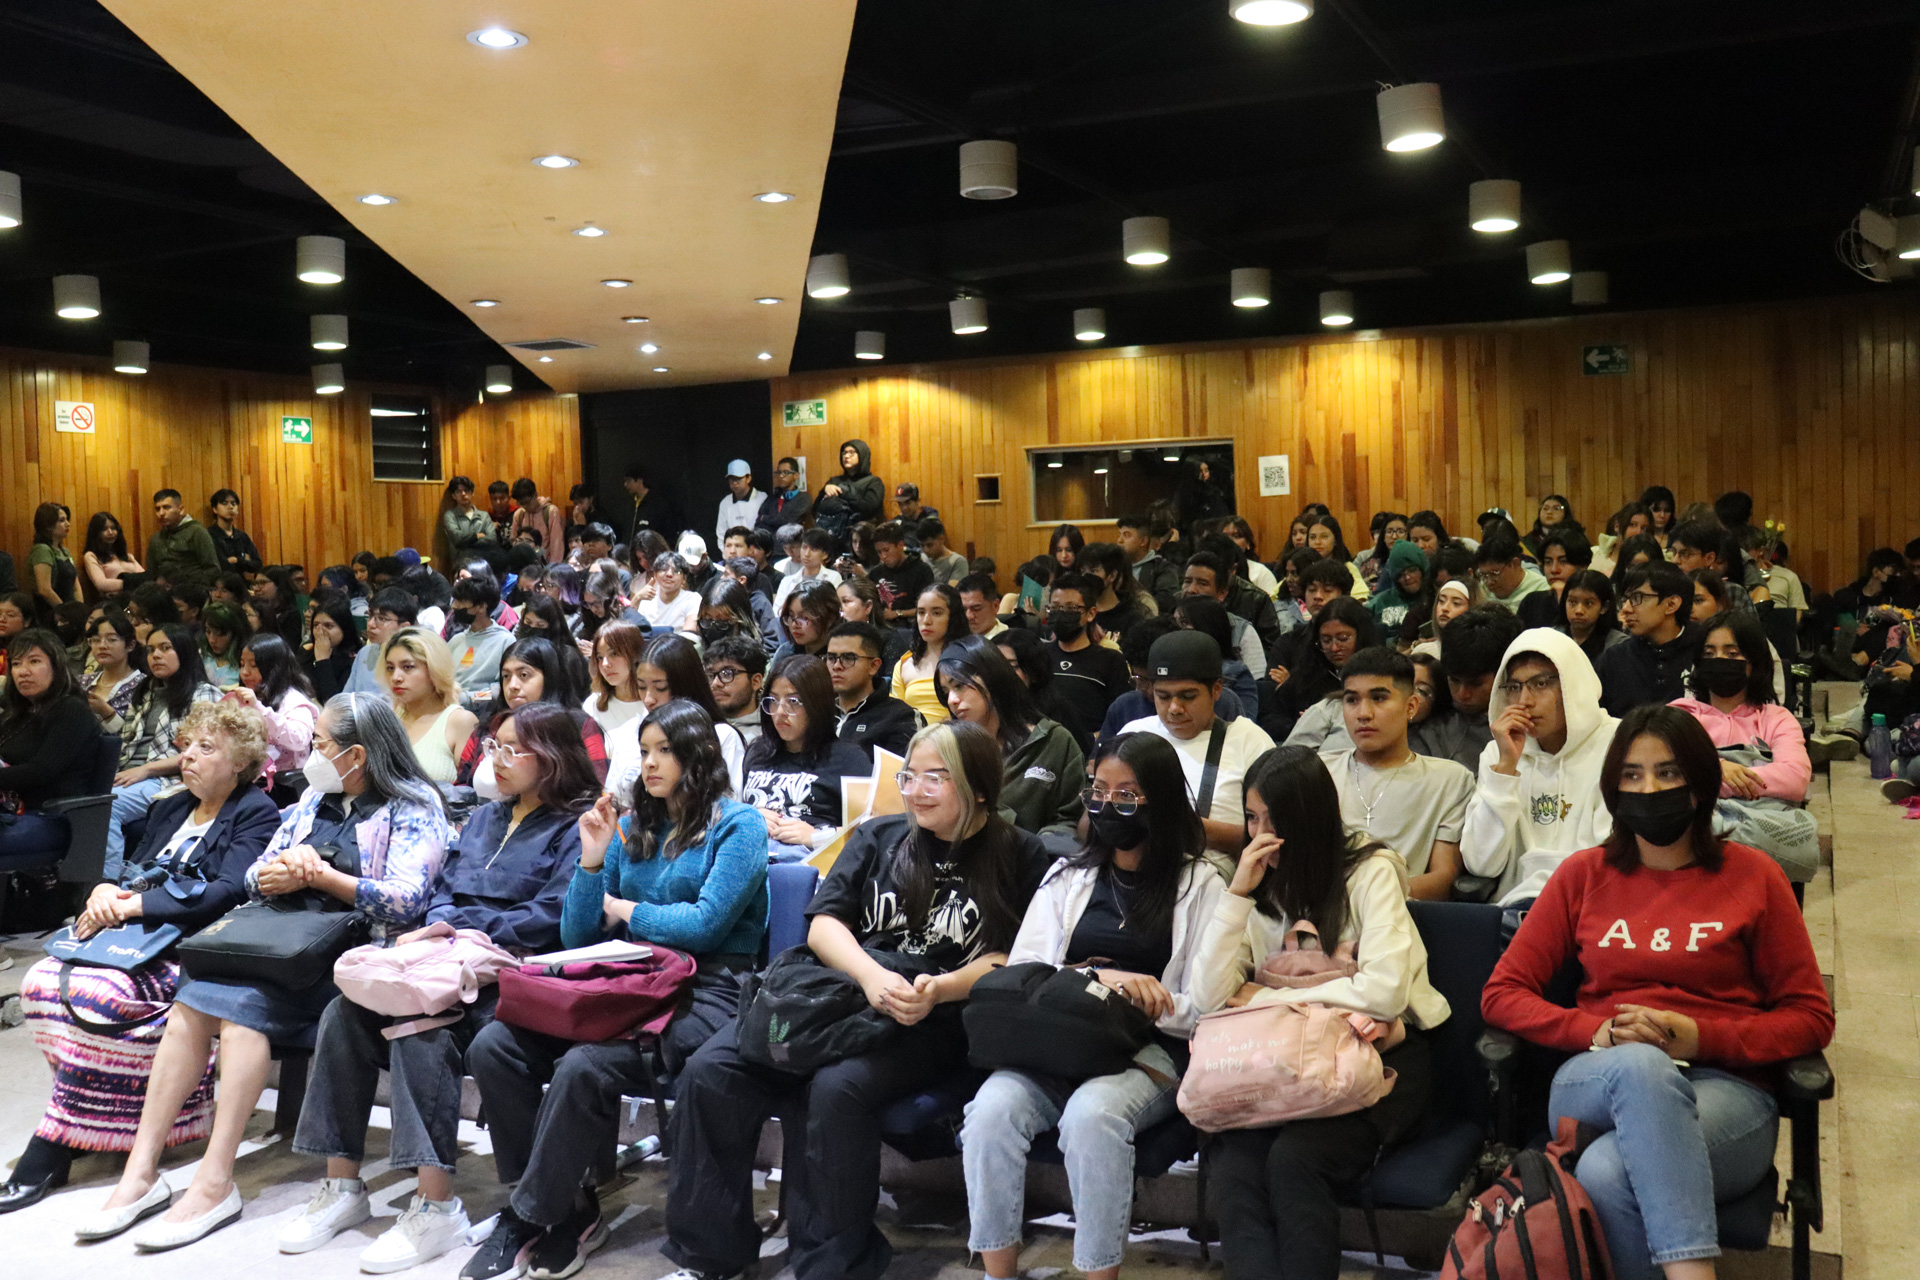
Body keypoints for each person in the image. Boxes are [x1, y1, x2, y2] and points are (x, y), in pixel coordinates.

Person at [659, 720, 1048, 1280]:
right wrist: (868, 976)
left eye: (934, 779)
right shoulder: (879, 836)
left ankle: (833, 1264)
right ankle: (708, 1256)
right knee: (711, 1071)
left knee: (836, 1088)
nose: (914, 791)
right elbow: (823, 927)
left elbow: (1018, 954)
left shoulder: (1019, 853)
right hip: (845, 989)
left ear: (979, 787)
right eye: (909, 777)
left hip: (935, 1012)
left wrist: (940, 988)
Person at [86, 694, 451, 1251]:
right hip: (277, 940)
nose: (311, 752)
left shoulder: (412, 803)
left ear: (357, 754)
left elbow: (406, 900)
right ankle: (142, 1170)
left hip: (351, 960)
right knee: (193, 1001)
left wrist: (325, 877)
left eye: (323, 743)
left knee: (243, 1014)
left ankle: (215, 1180)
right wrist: (282, 872)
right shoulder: (314, 797)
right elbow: (252, 874)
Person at [1482, 704, 1833, 1280]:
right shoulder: (1583, 875)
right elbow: (1502, 993)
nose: (1650, 788)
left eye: (1669, 773)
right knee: (1641, 1064)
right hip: (1598, 1074)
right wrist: (1597, 1031)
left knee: (1607, 1171)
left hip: (1726, 1092)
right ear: (1613, 789)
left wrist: (1700, 1035)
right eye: (1632, 775)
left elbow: (1810, 1018)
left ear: (1701, 782)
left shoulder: (1755, 876)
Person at [277, 702, 592, 1271]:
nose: (493, 759)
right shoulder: (488, 818)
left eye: (510, 750)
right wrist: (445, 929)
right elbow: (441, 889)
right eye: (491, 746)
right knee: (344, 1014)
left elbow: (555, 915)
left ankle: (436, 1206)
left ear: (551, 758)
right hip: (446, 956)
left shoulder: (575, 827)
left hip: (511, 974)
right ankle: (343, 1186)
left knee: (420, 1026)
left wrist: (474, 935)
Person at [462, 699, 767, 1280]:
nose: (649, 764)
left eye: (664, 751)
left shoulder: (739, 825)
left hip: (710, 989)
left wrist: (626, 907)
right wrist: (593, 860)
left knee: (585, 1066)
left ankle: (529, 1217)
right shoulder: (636, 825)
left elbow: (705, 927)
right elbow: (578, 933)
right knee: (494, 1046)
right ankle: (569, 1207)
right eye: (644, 751)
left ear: (697, 755)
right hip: (628, 980)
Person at [961, 731, 1226, 1280]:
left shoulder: (1201, 884)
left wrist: (1150, 1000)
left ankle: (1098, 1273)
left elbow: (1202, 1005)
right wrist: (1104, 978)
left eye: (1127, 796)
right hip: (1060, 1041)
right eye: (1098, 792)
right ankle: (997, 1272)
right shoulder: (1069, 876)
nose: (1108, 807)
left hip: (1150, 1048)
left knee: (1091, 1118)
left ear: (1162, 800)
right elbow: (1023, 972)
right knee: (989, 1114)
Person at [0, 701, 280, 1217]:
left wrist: (134, 905)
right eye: (187, 744)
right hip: (129, 938)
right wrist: (108, 891)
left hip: (188, 947)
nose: (187, 757)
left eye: (206, 747)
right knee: (41, 982)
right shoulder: (171, 807)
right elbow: (134, 871)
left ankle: (55, 1142)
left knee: (96, 998)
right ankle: (100, 1124)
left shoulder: (255, 811)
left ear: (240, 761)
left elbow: (227, 893)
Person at [1194, 745, 1449, 1280]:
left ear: (1308, 820)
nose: (1259, 834)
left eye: (1273, 820)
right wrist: (1238, 892)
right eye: (1250, 817)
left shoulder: (1369, 870)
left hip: (1380, 1057)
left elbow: (1383, 995)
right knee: (1235, 1161)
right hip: (1279, 1059)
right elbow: (1208, 996)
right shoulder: (1256, 880)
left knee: (1295, 1160)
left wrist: (1263, 998)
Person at [1461, 628, 1620, 907]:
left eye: (1541, 684)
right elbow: (1480, 863)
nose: (1524, 701)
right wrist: (1506, 769)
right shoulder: (1499, 753)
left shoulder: (1619, 743)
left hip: (1594, 906)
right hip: (1515, 911)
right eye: (1514, 687)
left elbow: (1615, 856)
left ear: (1573, 685)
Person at [1671, 611, 1816, 882]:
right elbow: (1667, 776)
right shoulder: (1679, 716)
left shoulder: (1776, 718)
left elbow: (1795, 779)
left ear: (1753, 662)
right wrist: (1719, 770)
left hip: (1761, 823)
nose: (1719, 660)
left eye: (1732, 653)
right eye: (1710, 653)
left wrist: (1709, 778)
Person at [1119, 631, 1274, 854]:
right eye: (1162, 696)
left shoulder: (1249, 741)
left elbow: (1270, 837)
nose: (1174, 708)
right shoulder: (1134, 733)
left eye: (1188, 696)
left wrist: (1175, 825)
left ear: (1217, 690)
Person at [102, 624, 223, 879]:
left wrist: (145, 770)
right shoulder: (145, 690)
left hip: (168, 779)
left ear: (184, 652)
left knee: (105, 805)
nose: (155, 655)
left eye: (165, 648)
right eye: (151, 649)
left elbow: (203, 752)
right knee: (83, 801)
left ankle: (108, 883)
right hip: (130, 774)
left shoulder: (204, 694)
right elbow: (125, 740)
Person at [938, 635, 1084, 833]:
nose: (952, 700)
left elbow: (1069, 821)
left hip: (1033, 859)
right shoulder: (946, 747)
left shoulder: (1051, 742)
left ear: (992, 678)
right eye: (946, 691)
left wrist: (1030, 851)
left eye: (959, 685)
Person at [741, 654, 872, 858]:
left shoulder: (848, 759)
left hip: (809, 866)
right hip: (750, 857)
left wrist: (817, 836)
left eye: (793, 701)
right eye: (773, 700)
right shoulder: (758, 751)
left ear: (816, 705)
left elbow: (871, 829)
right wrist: (747, 816)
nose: (780, 712)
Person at [0, 629, 106, 868]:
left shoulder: (71, 710)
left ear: (56, 667)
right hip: (11, 812)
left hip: (52, 816)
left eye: (34, 661)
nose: (23, 671)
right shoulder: (15, 714)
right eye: (16, 664)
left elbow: (41, 771)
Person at [607, 633, 748, 801]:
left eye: (660, 687)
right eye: (642, 687)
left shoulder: (721, 736)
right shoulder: (630, 732)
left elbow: (729, 807)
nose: (648, 699)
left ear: (685, 685)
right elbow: (611, 799)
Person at [1597, 561, 1702, 716]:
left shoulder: (1704, 653)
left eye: (1637, 598)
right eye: (1626, 599)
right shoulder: (1614, 659)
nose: (1626, 609)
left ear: (1671, 604)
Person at [1266, 597, 1376, 745]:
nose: (1334, 648)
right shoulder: (1306, 673)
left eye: (1343, 638)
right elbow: (1270, 719)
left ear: (1361, 636)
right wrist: (1303, 723)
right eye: (1326, 640)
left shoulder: (1382, 674)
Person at [381, 626, 479, 785]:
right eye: (390, 668)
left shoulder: (460, 721)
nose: (396, 677)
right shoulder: (388, 720)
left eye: (408, 667)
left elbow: (471, 793)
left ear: (434, 669)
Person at [1040, 572, 1133, 735]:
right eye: (1054, 608)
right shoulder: (1039, 655)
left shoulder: (1110, 660)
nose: (1061, 613)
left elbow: (1122, 718)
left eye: (1071, 608)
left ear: (1090, 614)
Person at [231, 632, 320, 799]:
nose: (245, 672)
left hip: (285, 787)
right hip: (252, 780)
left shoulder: (294, 700)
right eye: (242, 665)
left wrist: (260, 710)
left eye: (253, 665)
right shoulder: (252, 696)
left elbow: (299, 739)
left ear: (273, 667)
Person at [826, 620, 919, 761]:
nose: (837, 666)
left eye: (848, 658)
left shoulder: (900, 716)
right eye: (831, 658)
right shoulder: (817, 714)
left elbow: (904, 777)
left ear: (874, 666)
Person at [892, 582, 966, 726]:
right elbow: (896, 717)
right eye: (921, 612)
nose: (926, 621)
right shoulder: (905, 663)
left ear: (953, 616)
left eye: (937, 613)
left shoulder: (970, 657)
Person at [447, 572, 515, 708]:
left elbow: (499, 691)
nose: (454, 606)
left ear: (481, 607)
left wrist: (469, 698)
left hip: (483, 717)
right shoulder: (456, 640)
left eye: (460, 601)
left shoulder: (505, 642)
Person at [144, 489, 220, 589]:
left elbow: (213, 569)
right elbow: (151, 573)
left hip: (192, 592)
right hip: (163, 594)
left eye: (166, 507)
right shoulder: (155, 539)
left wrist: (194, 589)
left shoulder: (196, 532)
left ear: (181, 509)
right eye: (157, 509)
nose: (161, 513)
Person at [81, 612, 147, 726]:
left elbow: (137, 733)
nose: (102, 646)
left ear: (130, 645)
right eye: (96, 640)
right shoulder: (82, 682)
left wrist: (107, 713)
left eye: (111, 640)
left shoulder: (144, 685)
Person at [583, 618, 649, 734]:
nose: (605, 664)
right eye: (600, 657)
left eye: (614, 654)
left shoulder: (653, 704)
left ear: (635, 654)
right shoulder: (593, 705)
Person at [812, 438, 885, 542]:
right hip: (833, 536)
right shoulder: (835, 481)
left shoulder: (874, 482)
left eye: (852, 453)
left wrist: (842, 493)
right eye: (844, 453)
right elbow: (816, 509)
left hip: (863, 538)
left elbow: (869, 507)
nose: (846, 456)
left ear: (862, 455)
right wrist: (824, 490)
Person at [1473, 525, 1552, 619]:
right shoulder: (1481, 590)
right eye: (1483, 575)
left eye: (1494, 574)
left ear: (1515, 563)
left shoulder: (1542, 589)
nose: (1489, 582)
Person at [867, 521, 935, 629]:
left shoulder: (922, 570)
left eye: (886, 550)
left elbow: (928, 608)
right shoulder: (875, 574)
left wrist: (897, 613)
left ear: (900, 545)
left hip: (912, 628)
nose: (883, 556)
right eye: (879, 552)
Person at [704, 633, 769, 745]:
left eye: (727, 674)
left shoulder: (769, 733)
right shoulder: (700, 725)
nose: (715, 683)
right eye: (710, 675)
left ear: (756, 681)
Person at [1559, 567, 1625, 664]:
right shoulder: (1552, 638)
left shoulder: (1618, 645)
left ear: (1604, 607)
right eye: (1572, 602)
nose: (1579, 610)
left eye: (1588, 603)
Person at [772, 578, 841, 669]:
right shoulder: (786, 652)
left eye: (804, 618)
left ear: (830, 619)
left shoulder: (840, 657)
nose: (794, 625)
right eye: (791, 616)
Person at [1117, 511, 1180, 609]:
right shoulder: (1115, 566)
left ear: (1143, 541)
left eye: (1127, 535)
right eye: (1119, 534)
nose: (1119, 540)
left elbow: (1166, 601)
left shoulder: (1163, 568)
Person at [28, 502, 78, 619]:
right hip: (51, 613)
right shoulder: (42, 550)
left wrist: (80, 610)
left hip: (70, 610)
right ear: (48, 525)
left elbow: (76, 586)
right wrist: (65, 613)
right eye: (61, 520)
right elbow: (44, 590)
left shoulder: (65, 552)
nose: (67, 524)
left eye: (67, 519)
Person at [1365, 539, 1429, 630]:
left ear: (1422, 569)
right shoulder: (1381, 602)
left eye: (1412, 570)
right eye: (1400, 574)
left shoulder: (1435, 599)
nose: (1407, 577)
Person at [81, 510, 145, 599]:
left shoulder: (127, 556)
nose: (110, 532)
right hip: (113, 602)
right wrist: (129, 583)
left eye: (113, 528)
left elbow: (144, 577)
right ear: (96, 533)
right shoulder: (91, 556)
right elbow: (101, 584)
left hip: (136, 598)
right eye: (104, 529)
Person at [1306, 515, 1369, 600]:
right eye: (1312, 537)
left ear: (1335, 540)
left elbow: (1361, 598)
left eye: (1324, 536)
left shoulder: (1348, 568)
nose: (1317, 542)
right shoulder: (1302, 566)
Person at [440, 475, 498, 565]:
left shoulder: (484, 515)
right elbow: (457, 538)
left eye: (466, 490)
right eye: (459, 491)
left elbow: (492, 539)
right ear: (453, 496)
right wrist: (476, 536)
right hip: (460, 564)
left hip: (483, 563)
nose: (463, 494)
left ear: (472, 493)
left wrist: (466, 543)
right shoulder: (450, 515)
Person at [509, 478, 567, 564]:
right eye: (521, 503)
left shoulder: (551, 512)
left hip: (545, 564)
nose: (525, 506)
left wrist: (552, 568)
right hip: (524, 564)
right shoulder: (519, 514)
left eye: (527, 502)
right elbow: (514, 541)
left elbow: (556, 544)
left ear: (535, 495)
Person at [203, 489, 261, 575]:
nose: (230, 507)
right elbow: (221, 566)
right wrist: (245, 561)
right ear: (215, 509)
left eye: (233, 503)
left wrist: (237, 560)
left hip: (243, 585)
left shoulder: (242, 536)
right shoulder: (209, 535)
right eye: (224, 503)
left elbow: (258, 565)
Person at [755, 456, 812, 536]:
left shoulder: (804, 498)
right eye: (779, 472)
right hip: (770, 543)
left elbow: (790, 521)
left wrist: (766, 519)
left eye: (785, 472)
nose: (781, 476)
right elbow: (759, 518)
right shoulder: (772, 497)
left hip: (790, 543)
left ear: (795, 475)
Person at [713, 458, 765, 544]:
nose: (734, 483)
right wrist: (728, 552)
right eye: (731, 479)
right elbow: (721, 533)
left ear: (748, 478)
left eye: (738, 479)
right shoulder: (725, 502)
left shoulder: (762, 498)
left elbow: (764, 531)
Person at [197, 600, 248, 686]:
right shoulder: (202, 654)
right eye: (208, 631)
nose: (212, 640)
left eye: (220, 634)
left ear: (236, 633)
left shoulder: (246, 663)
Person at [956, 571, 1008, 641]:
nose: (969, 616)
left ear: (995, 606)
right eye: (963, 609)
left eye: (976, 608)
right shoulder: (951, 638)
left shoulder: (1008, 644)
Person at [918, 518, 967, 585]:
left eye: (930, 545)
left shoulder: (958, 561)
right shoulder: (920, 559)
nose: (926, 550)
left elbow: (952, 591)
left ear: (941, 539)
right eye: (922, 545)